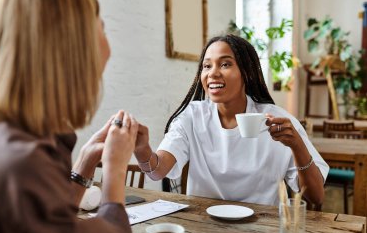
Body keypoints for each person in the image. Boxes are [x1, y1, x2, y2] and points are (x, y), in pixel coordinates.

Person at [0, 0, 136, 233]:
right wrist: (115, 168)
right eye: (101, 28)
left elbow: (52, 225)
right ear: (73, 48)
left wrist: (85, 163)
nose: (108, 49)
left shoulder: (9, 138)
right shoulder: (23, 164)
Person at [134, 34, 329, 206]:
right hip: (204, 228)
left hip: (263, 232)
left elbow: (316, 196)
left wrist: (297, 146)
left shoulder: (279, 120)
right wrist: (142, 150)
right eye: (207, 66)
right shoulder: (192, 117)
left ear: (247, 73)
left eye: (225, 64)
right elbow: (158, 170)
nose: (213, 73)